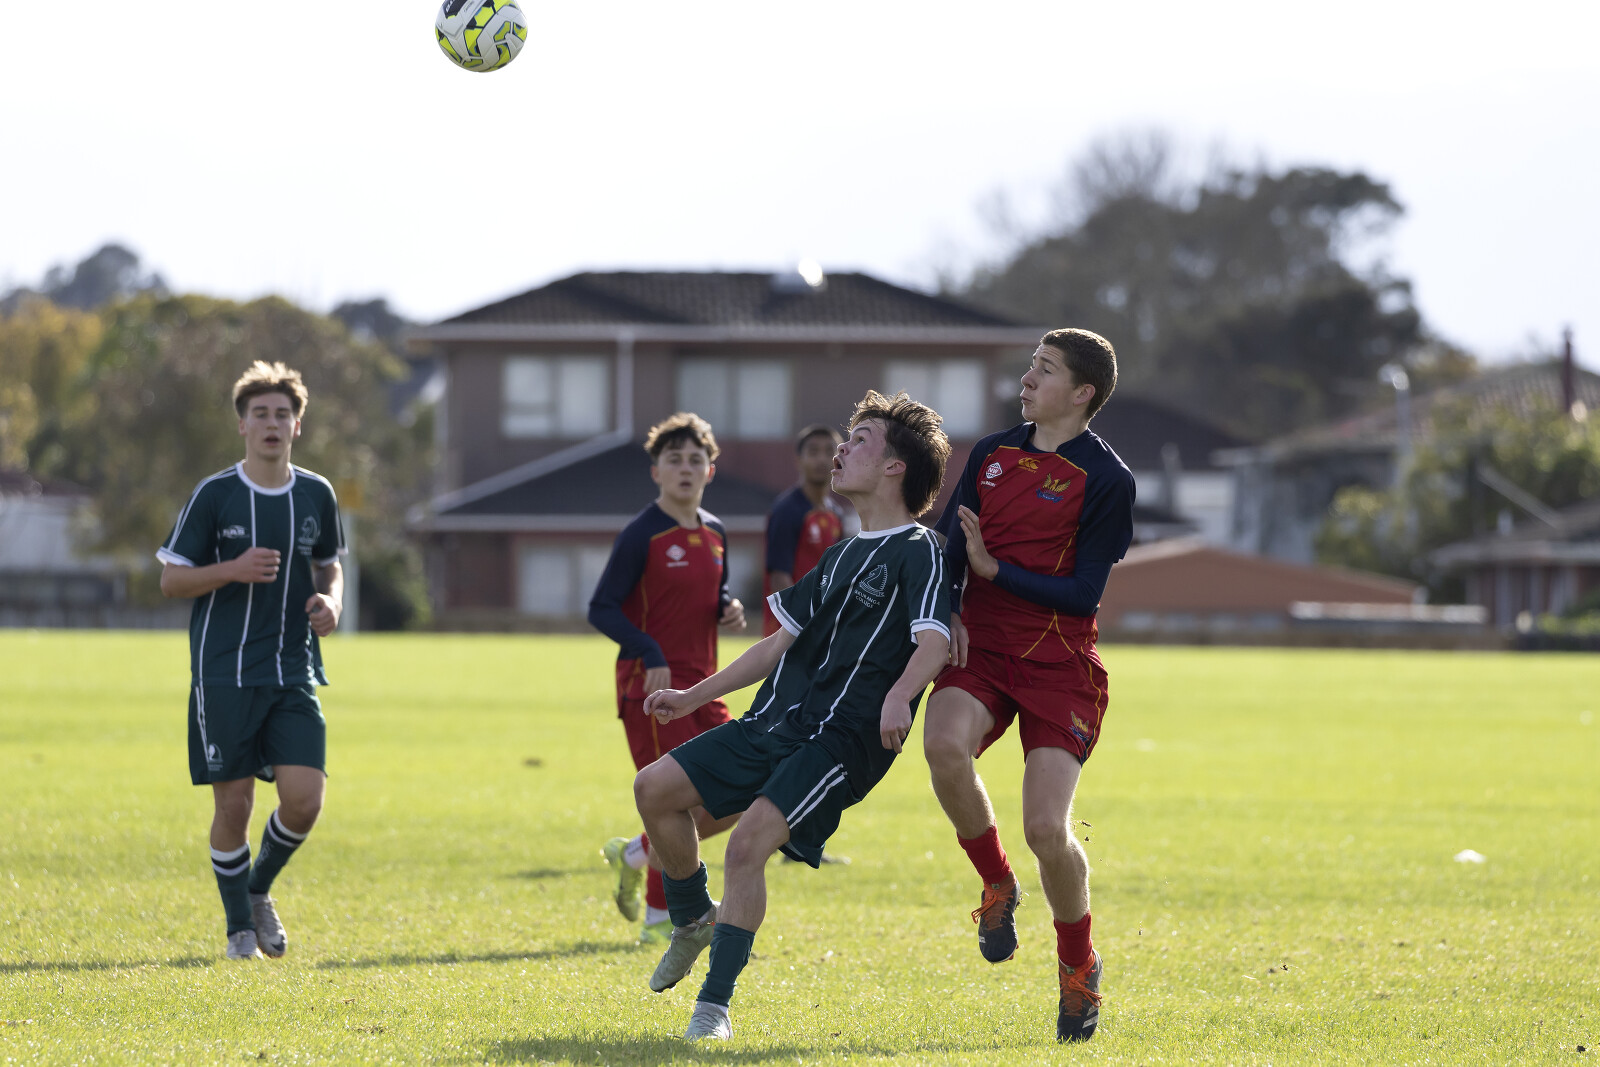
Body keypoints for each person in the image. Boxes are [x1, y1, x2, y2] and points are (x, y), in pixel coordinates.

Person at [635, 390, 951, 1041]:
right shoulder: (839, 552)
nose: (841, 449)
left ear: (895, 467)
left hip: (842, 739)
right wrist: (692, 696)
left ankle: (713, 1010)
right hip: (776, 721)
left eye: (859, 440)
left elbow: (934, 641)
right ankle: (691, 918)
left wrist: (901, 694)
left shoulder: (920, 548)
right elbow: (773, 646)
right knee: (653, 789)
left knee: (747, 844)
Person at [924, 328, 1136, 1042]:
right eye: (1030, 366)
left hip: (1058, 663)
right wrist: (952, 609)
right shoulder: (989, 454)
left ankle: (1078, 966)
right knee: (943, 746)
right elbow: (951, 552)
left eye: (1044, 370)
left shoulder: (1107, 479)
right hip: (981, 648)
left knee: (1046, 828)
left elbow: (1083, 595)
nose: (1027, 379)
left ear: (1081, 393)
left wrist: (996, 572)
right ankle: (996, 881)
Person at [156, 360, 346, 961]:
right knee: (233, 805)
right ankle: (239, 931)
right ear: (242, 425)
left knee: (305, 799)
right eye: (260, 414)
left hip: (293, 670)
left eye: (282, 415)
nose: (271, 423)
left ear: (297, 426)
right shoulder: (216, 495)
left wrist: (332, 602)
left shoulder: (317, 494)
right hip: (225, 673)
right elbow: (171, 580)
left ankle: (257, 888)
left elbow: (329, 565)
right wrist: (233, 570)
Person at [589, 413, 747, 944]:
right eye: (673, 460)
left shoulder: (717, 532)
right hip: (652, 689)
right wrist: (648, 648)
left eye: (695, 460)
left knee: (739, 790)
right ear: (656, 471)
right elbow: (601, 607)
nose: (685, 468)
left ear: (710, 470)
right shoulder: (642, 534)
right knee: (674, 801)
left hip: (704, 686)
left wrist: (727, 607)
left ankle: (635, 853)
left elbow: (712, 594)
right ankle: (661, 922)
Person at [762, 424, 845, 636]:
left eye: (829, 451)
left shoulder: (836, 514)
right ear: (798, 460)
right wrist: (803, 623)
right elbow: (779, 577)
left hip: (822, 627)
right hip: (790, 630)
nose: (822, 459)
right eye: (813, 452)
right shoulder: (786, 510)